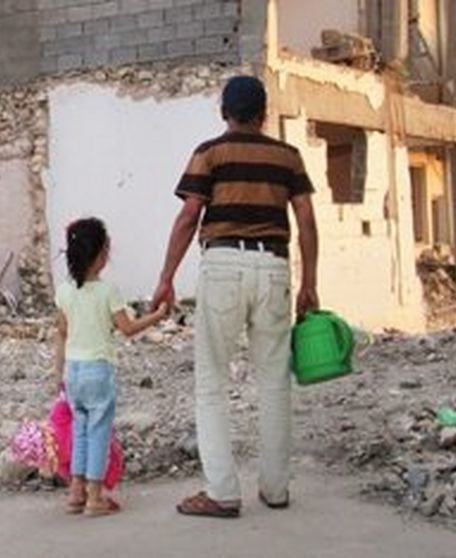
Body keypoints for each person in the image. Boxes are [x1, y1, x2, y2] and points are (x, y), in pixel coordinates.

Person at [152, 75, 319, 518]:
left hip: (223, 265)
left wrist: (166, 277)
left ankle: (222, 491)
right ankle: (276, 488)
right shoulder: (288, 157)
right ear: (263, 113)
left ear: (224, 112)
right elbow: (305, 218)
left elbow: (190, 215)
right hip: (274, 267)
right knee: (273, 382)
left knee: (211, 382)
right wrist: (310, 283)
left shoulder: (209, 153)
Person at [54, 217, 168, 517]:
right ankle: (95, 496)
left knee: (80, 429)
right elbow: (127, 328)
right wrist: (158, 316)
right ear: (102, 254)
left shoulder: (64, 292)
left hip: (73, 370)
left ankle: (75, 491)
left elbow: (62, 332)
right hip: (98, 370)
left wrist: (59, 372)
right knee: (99, 431)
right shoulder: (107, 292)